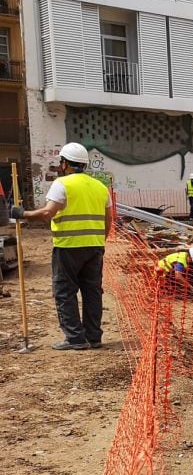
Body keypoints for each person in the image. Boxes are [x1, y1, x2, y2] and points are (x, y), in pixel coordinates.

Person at [11, 143, 112, 350]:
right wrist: (100, 240)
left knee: (64, 291)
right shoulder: (100, 187)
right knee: (92, 291)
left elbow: (48, 213)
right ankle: (93, 337)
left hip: (68, 246)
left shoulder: (62, 184)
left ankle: (75, 338)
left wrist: (22, 214)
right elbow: (108, 218)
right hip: (94, 246)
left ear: (65, 163)